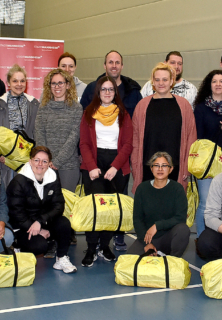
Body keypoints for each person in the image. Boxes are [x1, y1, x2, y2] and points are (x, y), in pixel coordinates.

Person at [79, 75, 133, 267]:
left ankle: (105, 246)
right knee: (95, 209)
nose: (108, 93)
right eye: (104, 89)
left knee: (111, 210)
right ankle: (91, 248)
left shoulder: (123, 114)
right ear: (98, 92)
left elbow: (128, 144)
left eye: (111, 89)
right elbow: (84, 143)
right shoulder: (88, 113)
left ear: (115, 92)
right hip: (93, 164)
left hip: (116, 164)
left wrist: (115, 167)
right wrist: (92, 167)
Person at [7, 146, 77, 273]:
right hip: (23, 225)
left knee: (64, 223)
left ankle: (61, 258)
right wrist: (37, 230)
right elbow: (16, 213)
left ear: (49, 163)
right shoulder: (19, 181)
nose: (40, 164)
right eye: (36, 160)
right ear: (30, 161)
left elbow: (58, 206)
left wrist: (40, 222)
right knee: (39, 246)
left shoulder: (53, 176)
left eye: (44, 161)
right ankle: (18, 246)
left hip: (41, 221)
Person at [132, 62, 196, 194]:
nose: (161, 83)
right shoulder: (142, 106)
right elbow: (135, 139)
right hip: (147, 167)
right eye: (157, 79)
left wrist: (187, 167)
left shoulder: (184, 106)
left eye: (165, 79)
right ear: (153, 82)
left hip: (175, 168)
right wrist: (136, 166)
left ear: (172, 80)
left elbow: (191, 138)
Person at [193, 70, 222, 239]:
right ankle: (201, 238)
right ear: (209, 84)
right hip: (206, 163)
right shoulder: (200, 109)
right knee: (205, 203)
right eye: (214, 81)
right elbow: (197, 138)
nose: (218, 84)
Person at [128, 152, 190, 257]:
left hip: (169, 238)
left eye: (164, 166)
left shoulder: (177, 189)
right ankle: (155, 253)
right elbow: (138, 220)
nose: (160, 169)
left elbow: (180, 218)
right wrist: (147, 244)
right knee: (130, 261)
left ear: (171, 169)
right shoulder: (142, 189)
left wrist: (157, 225)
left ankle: (173, 259)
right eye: (156, 165)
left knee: (183, 230)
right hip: (148, 237)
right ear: (151, 168)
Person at [0, 64, 39, 187]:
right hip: (4, 157)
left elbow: (38, 131)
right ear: (8, 83)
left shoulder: (34, 103)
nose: (19, 84)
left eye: (22, 81)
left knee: (24, 192)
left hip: (26, 156)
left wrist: (35, 154)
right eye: (15, 81)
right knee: (5, 191)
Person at [35, 68, 82, 192]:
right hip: (45, 165)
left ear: (67, 85)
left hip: (69, 165)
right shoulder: (43, 107)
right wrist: (45, 160)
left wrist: (57, 161)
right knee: (47, 204)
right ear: (49, 86)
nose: (57, 86)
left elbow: (74, 138)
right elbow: (39, 134)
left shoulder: (76, 108)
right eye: (54, 83)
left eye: (60, 83)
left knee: (67, 206)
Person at [80, 50, 142, 118]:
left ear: (122, 66)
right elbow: (83, 116)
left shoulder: (133, 92)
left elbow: (139, 119)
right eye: (110, 62)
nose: (114, 66)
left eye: (117, 62)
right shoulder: (91, 89)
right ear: (104, 65)